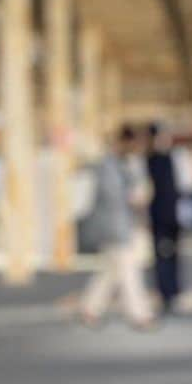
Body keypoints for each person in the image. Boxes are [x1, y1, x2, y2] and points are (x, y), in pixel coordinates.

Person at [77, 125, 154, 328]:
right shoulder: (108, 166)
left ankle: (90, 308)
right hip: (114, 227)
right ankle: (140, 314)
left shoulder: (124, 164)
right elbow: (114, 195)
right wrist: (135, 195)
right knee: (129, 271)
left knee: (111, 271)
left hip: (122, 226)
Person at [146, 122, 183, 314]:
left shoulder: (170, 158)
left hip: (170, 217)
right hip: (161, 217)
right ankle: (166, 293)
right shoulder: (151, 161)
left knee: (170, 255)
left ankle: (172, 292)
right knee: (163, 256)